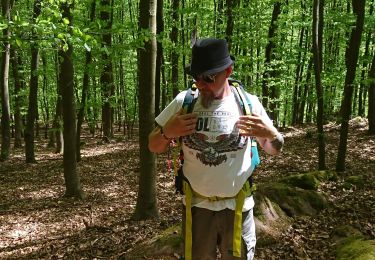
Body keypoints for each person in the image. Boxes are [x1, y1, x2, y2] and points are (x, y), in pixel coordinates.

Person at [148, 38, 284, 260]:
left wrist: (272, 134)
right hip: (197, 209)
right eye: (196, 77)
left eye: (209, 78)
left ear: (228, 71)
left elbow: (273, 148)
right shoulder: (185, 101)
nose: (201, 84)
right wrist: (167, 132)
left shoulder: (248, 104)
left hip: (239, 208)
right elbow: (152, 145)